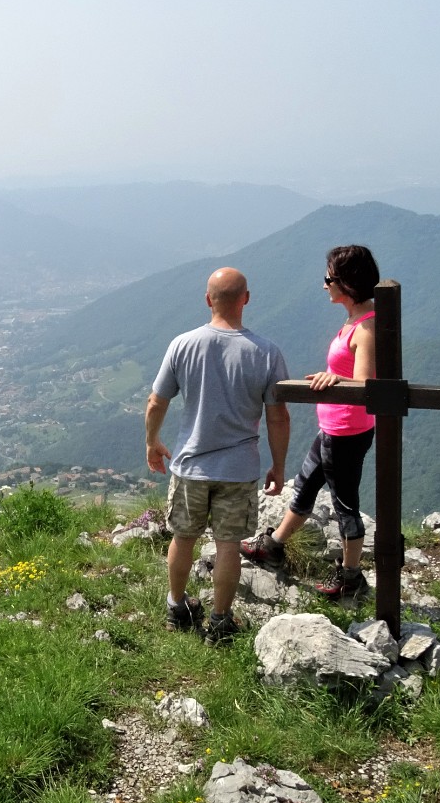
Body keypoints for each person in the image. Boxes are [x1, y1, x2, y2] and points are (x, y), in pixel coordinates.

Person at [145, 268, 291, 644]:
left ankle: (176, 607)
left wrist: (152, 441)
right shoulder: (267, 352)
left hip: (191, 465)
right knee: (228, 547)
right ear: (246, 298)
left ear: (208, 300)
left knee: (183, 537)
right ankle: (220, 621)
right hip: (239, 469)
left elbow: (157, 401)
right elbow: (278, 416)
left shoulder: (183, 344)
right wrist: (278, 464)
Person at [241, 244, 380, 598]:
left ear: (346, 283)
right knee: (304, 485)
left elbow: (366, 385)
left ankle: (351, 579)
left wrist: (336, 380)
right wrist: (336, 377)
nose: (324, 286)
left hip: (346, 431)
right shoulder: (357, 317)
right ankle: (272, 545)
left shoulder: (365, 327)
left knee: (345, 505)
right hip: (336, 428)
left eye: (328, 279)